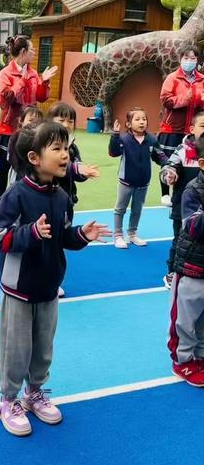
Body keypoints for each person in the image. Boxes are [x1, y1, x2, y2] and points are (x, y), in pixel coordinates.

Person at [0, 122, 110, 436]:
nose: (65, 155)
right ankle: (7, 399)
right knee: (16, 347)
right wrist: (30, 233)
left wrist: (81, 235)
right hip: (19, 288)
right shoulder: (15, 196)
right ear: (34, 157)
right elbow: (0, 237)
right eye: (56, 149)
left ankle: (34, 393)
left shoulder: (61, 197)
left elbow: (61, 238)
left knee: (43, 346)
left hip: (48, 286)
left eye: (66, 148)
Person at [0, 35, 58, 197]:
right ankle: (1, 199)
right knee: (4, 166)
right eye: (32, 49)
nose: (34, 53)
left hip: (31, 128)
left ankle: (24, 197)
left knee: (28, 165)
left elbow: (41, 97)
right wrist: (22, 80)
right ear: (23, 51)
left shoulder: (33, 73)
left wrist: (44, 82)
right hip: (9, 128)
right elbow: (7, 98)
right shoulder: (6, 73)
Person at [168, 135, 204, 387]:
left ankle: (200, 355)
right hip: (192, 268)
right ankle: (182, 360)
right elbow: (191, 227)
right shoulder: (193, 191)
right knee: (185, 319)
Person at [110, 107, 167, 249]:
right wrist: (115, 135)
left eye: (144, 119)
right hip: (126, 182)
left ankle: (132, 233)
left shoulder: (152, 139)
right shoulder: (124, 138)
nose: (142, 122)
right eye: (137, 119)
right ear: (128, 124)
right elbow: (114, 152)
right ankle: (118, 235)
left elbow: (160, 157)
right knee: (120, 209)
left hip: (143, 183)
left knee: (137, 209)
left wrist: (170, 165)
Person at [160, 110, 204, 288]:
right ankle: (173, 272)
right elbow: (169, 167)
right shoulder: (183, 150)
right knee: (180, 240)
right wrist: (169, 175)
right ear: (192, 128)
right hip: (183, 206)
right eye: (203, 126)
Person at [159, 45, 204, 207]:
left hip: (194, 130)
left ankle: (191, 193)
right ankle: (165, 193)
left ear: (197, 60)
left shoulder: (202, 80)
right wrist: (185, 98)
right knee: (169, 161)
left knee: (191, 162)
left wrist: (199, 100)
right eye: (186, 58)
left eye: (193, 58)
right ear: (180, 59)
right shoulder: (172, 78)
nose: (189, 61)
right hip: (172, 128)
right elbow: (165, 100)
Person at [48, 102, 99, 205]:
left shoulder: (72, 147)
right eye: (61, 121)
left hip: (67, 197)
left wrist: (83, 173)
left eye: (70, 121)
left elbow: (76, 170)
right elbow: (52, 165)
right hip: (49, 196)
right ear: (50, 121)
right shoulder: (46, 144)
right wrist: (74, 168)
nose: (66, 125)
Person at [7, 106, 45, 186]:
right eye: (31, 120)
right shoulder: (15, 138)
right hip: (18, 177)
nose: (34, 123)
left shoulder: (43, 139)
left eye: (38, 122)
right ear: (21, 121)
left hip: (36, 178)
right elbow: (11, 158)